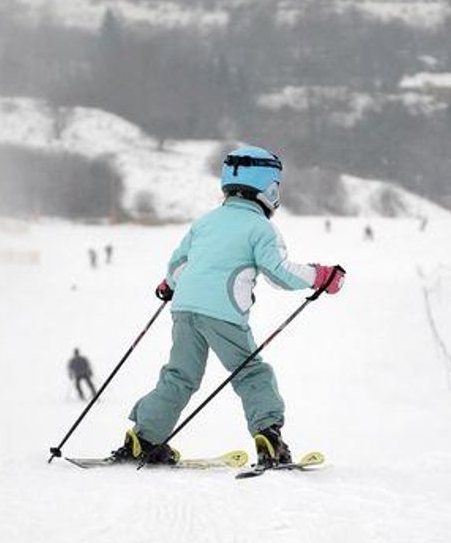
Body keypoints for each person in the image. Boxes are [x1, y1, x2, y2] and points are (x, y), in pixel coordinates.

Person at [111, 145, 346, 466]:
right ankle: (269, 437)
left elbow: (178, 266)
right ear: (269, 188)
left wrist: (170, 286)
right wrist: (319, 276)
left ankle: (144, 437)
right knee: (251, 373)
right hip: (223, 312)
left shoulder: (205, 222)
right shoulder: (261, 227)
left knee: (180, 375)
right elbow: (279, 273)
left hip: (183, 309)